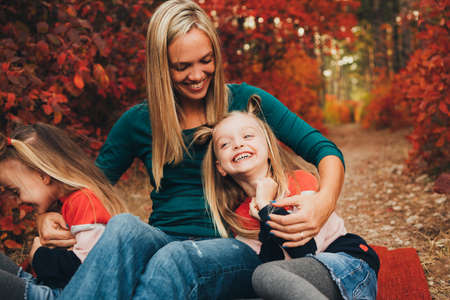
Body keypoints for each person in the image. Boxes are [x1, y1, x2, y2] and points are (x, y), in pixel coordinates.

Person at [38, 0, 347, 298]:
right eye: (182, 66)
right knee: (124, 227)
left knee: (175, 258)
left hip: (233, 246)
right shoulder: (137, 122)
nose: (197, 75)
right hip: (162, 240)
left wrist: (323, 204)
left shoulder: (247, 103)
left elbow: (324, 150)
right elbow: (90, 187)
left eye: (206, 61)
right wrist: (47, 215)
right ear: (161, 67)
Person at [195, 96, 379, 299]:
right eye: (225, 144)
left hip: (347, 263)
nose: (238, 144)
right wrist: (263, 218)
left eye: (247, 136)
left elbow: (306, 249)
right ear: (220, 167)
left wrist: (267, 207)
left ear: (268, 147)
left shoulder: (300, 183)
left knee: (266, 275)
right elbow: (272, 261)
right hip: (304, 282)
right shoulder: (240, 218)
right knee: (260, 282)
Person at [0, 123, 127, 300]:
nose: (19, 201)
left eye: (15, 191)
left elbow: (87, 266)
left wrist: (38, 256)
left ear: (42, 175)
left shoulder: (83, 202)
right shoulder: (68, 203)